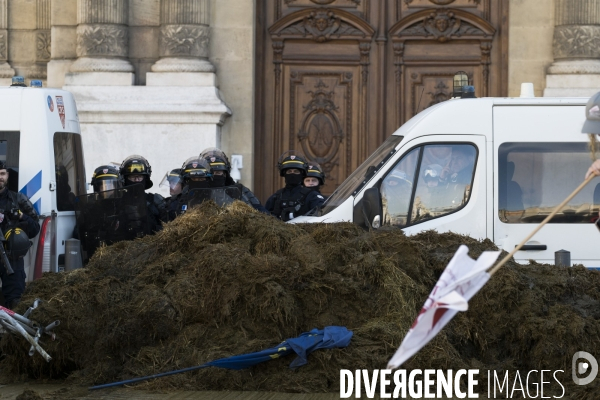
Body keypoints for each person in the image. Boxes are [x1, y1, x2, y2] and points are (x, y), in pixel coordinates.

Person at [0, 161, 40, 309]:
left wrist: (21, 216)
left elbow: (35, 228)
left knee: (16, 303)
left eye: (2, 174)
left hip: (12, 259)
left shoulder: (18, 200)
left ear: (7, 175)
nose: (0, 177)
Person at [199, 147, 268, 213]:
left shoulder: (240, 190)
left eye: (218, 172)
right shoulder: (196, 191)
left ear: (225, 173)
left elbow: (261, 214)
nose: (214, 176)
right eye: (210, 173)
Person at [265, 151, 325, 221]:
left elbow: (322, 218)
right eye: (289, 171)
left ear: (302, 174)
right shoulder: (275, 198)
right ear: (284, 174)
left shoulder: (312, 197)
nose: (292, 174)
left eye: (296, 171)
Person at [119, 155, 167, 233]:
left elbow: (168, 230)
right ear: (125, 179)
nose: (136, 180)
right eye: (132, 177)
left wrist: (152, 227)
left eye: (139, 177)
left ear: (145, 178)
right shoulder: (118, 202)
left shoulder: (155, 201)